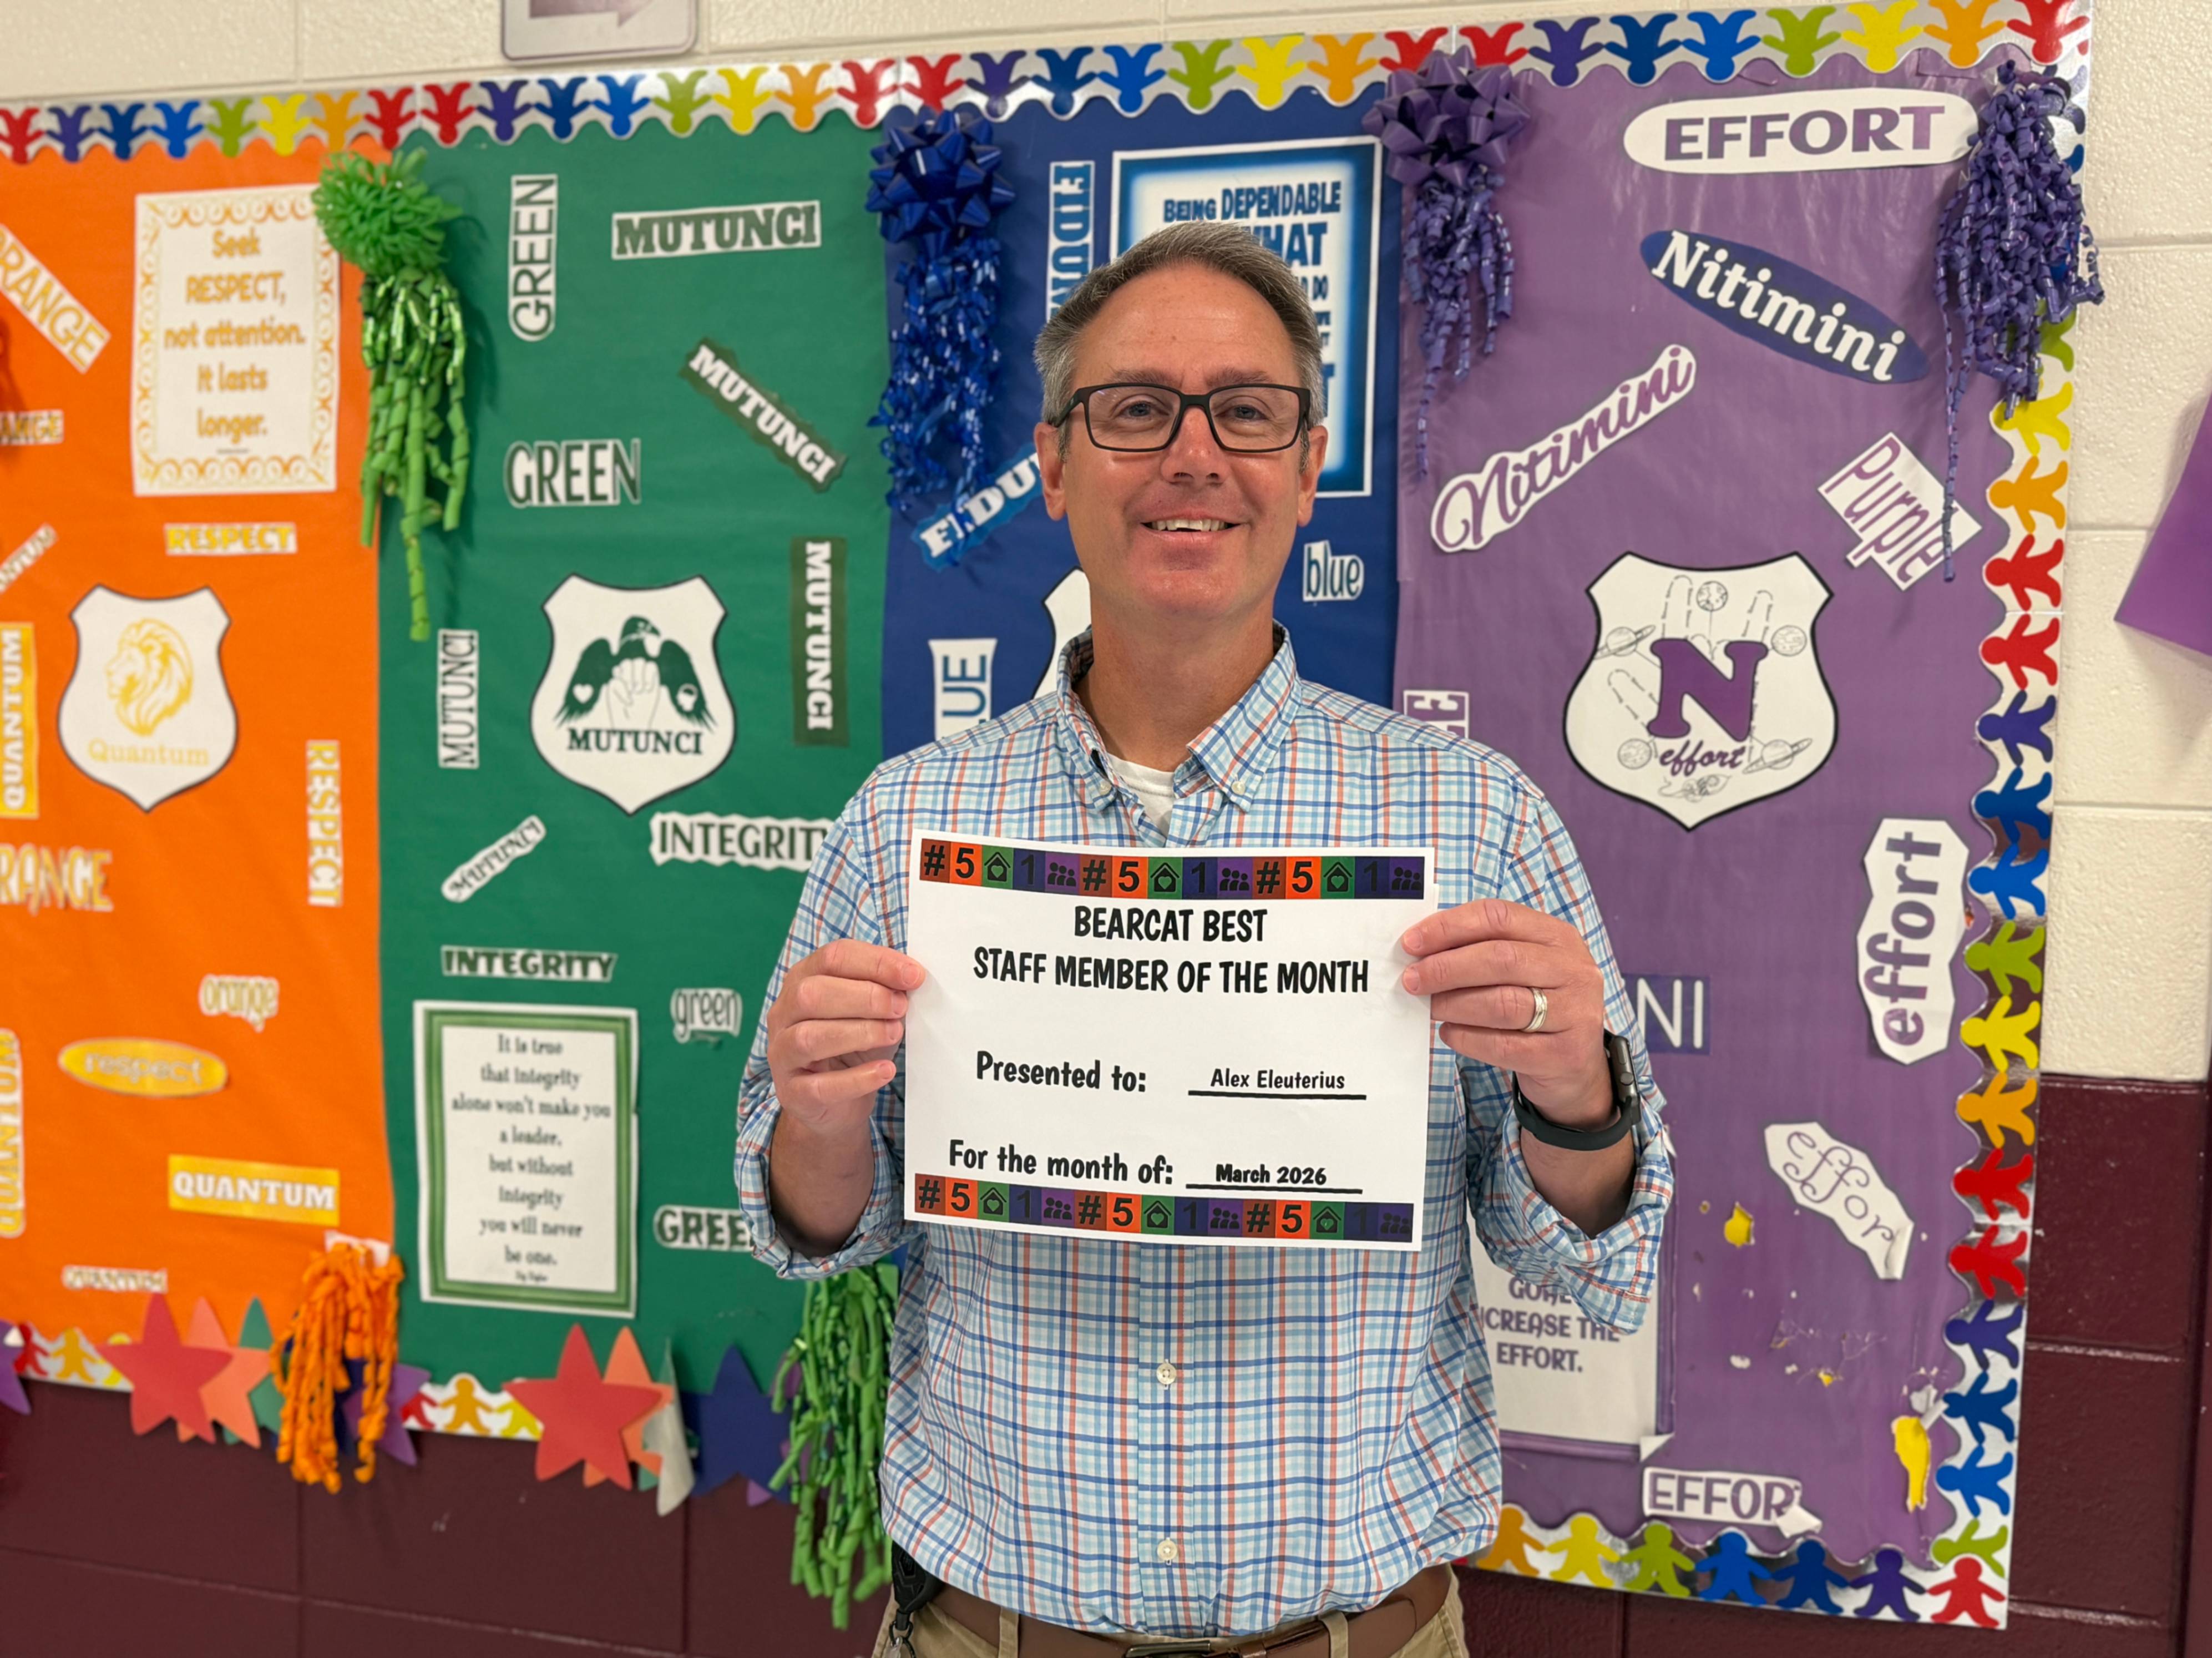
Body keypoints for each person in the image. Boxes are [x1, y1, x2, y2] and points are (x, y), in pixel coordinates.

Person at [735, 220, 1675, 1658]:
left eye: (1245, 410)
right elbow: (813, 1233)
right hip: (988, 1628)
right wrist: (817, 1114)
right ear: (1051, 467)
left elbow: (1586, 1262)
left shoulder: (1469, 818)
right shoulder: (905, 821)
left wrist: (1578, 1095)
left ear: (1306, 468)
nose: (1192, 452)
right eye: (1132, 410)